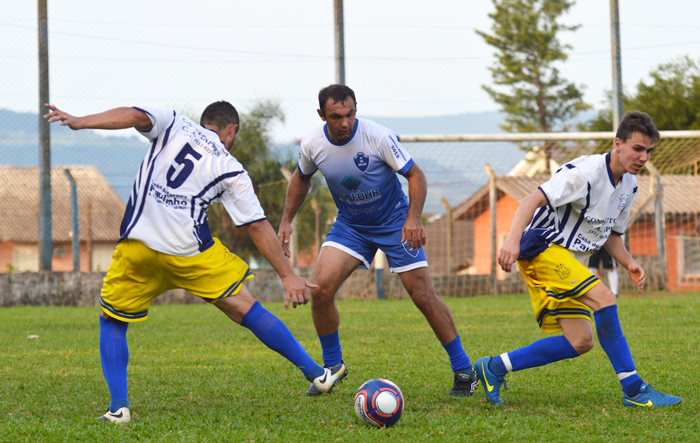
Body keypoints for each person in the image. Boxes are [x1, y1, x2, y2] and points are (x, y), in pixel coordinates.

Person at [44, 102, 346, 424]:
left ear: (204, 122)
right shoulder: (230, 167)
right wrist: (287, 276)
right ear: (232, 131)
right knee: (246, 307)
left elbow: (135, 115)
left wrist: (80, 121)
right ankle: (317, 374)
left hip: (138, 247)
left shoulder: (173, 122)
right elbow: (256, 225)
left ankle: (118, 408)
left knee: (112, 320)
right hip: (190, 253)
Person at [277, 84, 478, 397]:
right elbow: (301, 178)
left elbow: (416, 175)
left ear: (356, 109)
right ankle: (333, 367)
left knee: (422, 294)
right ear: (322, 115)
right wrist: (286, 220)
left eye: (350, 114)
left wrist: (413, 218)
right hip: (351, 226)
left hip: (394, 222)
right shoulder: (313, 143)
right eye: (336, 117)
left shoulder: (378, 136)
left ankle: (464, 369)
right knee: (321, 289)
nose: (345, 123)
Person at [474, 111, 681, 408]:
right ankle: (635, 390)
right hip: (542, 249)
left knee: (580, 341)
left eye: (649, 151)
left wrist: (629, 263)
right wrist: (511, 240)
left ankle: (493, 367)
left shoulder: (630, 185)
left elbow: (610, 234)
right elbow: (531, 200)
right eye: (638, 149)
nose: (644, 157)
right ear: (618, 143)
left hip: (568, 260)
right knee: (605, 298)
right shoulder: (584, 174)